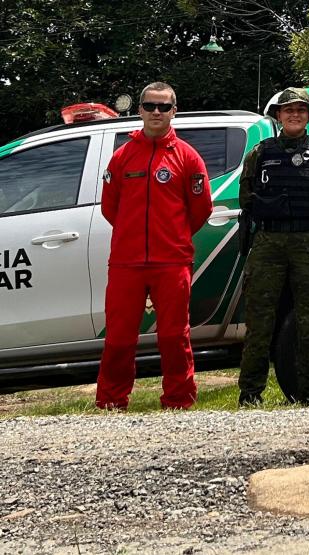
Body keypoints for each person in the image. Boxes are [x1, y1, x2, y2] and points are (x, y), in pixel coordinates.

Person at [96, 81, 213, 410]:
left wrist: (173, 236)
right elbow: (110, 208)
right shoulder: (122, 157)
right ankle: (111, 401)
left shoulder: (188, 157)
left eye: (164, 107)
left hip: (171, 261)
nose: (157, 112)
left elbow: (200, 208)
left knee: (175, 336)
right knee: (119, 337)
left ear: (175, 111)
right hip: (126, 262)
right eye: (150, 106)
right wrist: (132, 236)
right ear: (140, 110)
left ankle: (178, 402)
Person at [236, 87, 309, 406]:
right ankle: (251, 393)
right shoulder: (259, 153)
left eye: (300, 109)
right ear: (279, 116)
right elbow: (247, 199)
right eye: (288, 110)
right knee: (259, 321)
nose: (294, 114)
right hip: (269, 242)